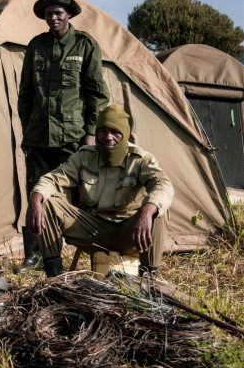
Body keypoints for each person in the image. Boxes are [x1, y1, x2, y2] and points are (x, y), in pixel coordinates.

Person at [25, 104, 174, 278]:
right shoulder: (85, 156)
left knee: (158, 211)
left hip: (129, 233)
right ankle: (55, 277)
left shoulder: (140, 159)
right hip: (93, 231)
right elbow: (55, 178)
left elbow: (163, 184)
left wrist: (147, 211)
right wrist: (35, 198)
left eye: (114, 132)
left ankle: (150, 279)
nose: (108, 137)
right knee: (48, 203)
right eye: (102, 131)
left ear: (124, 133)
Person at [17, 0, 109, 270]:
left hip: (73, 137)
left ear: (68, 15)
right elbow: (26, 94)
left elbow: (97, 94)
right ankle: (35, 255)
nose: (54, 18)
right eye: (49, 14)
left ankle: (92, 248)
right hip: (39, 137)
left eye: (58, 13)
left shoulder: (85, 45)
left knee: (79, 193)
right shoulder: (36, 46)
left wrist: (91, 134)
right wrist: (27, 129)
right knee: (36, 193)